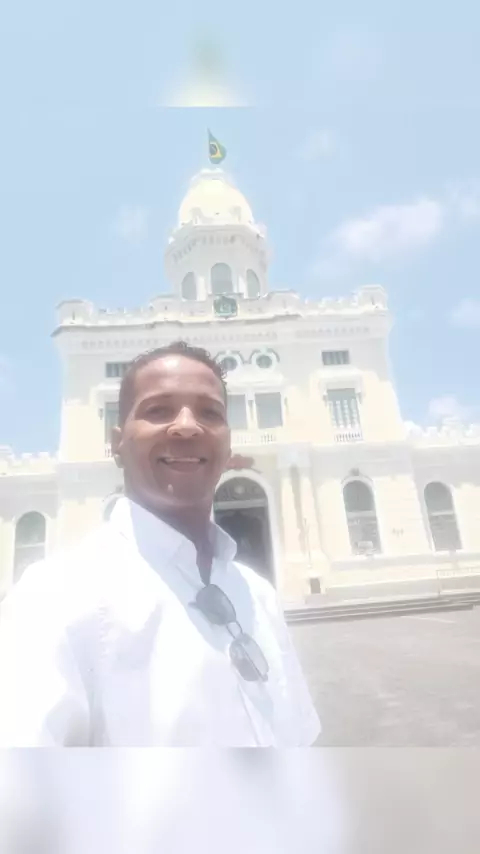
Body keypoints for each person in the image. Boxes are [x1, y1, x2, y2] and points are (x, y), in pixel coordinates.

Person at [0, 341, 320, 747]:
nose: (187, 425)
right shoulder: (54, 598)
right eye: (158, 410)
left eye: (210, 413)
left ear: (228, 444)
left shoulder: (258, 595)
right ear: (117, 442)